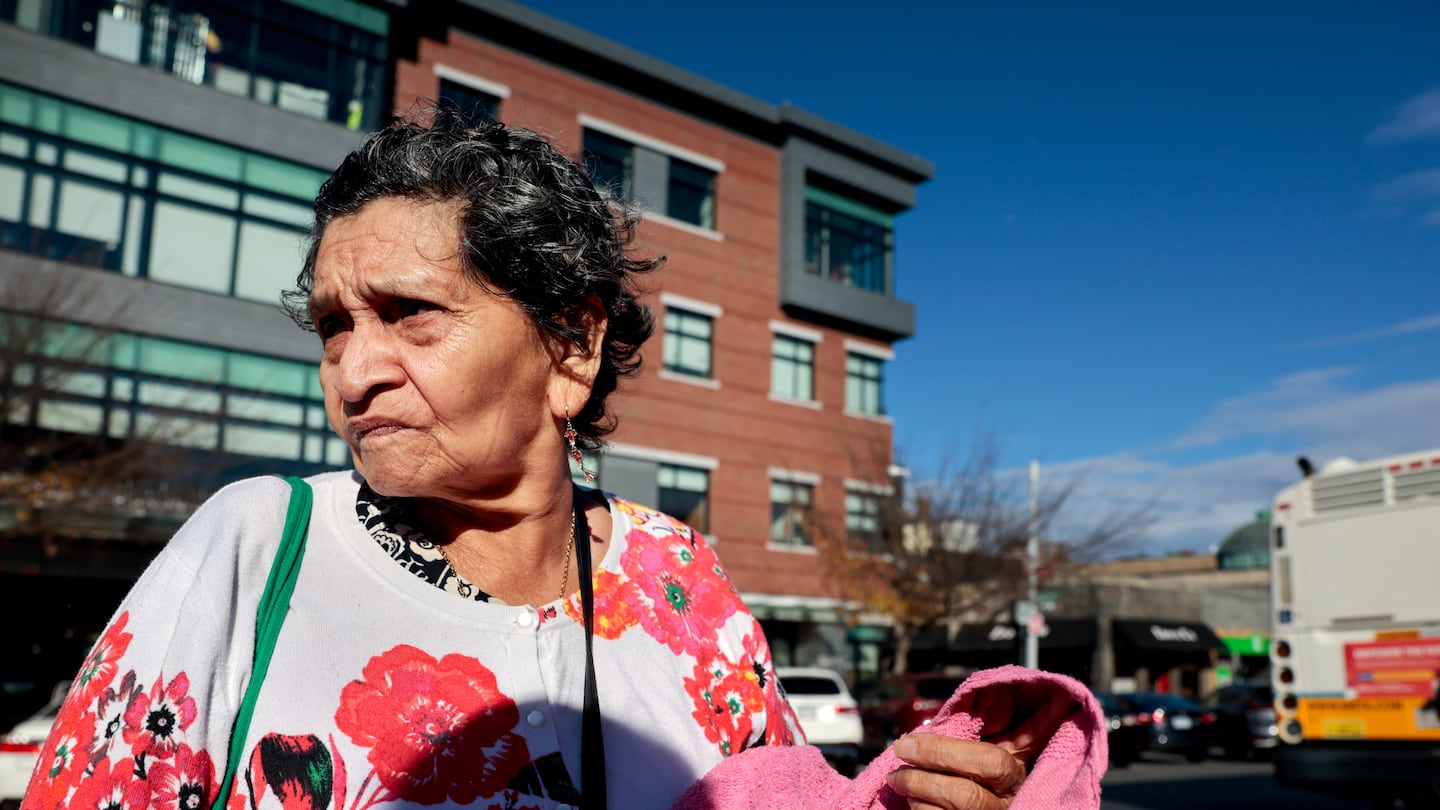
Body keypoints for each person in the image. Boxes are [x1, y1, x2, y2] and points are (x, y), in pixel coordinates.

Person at [22, 108, 1090, 810]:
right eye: (334, 325)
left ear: (571, 347)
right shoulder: (257, 545)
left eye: (408, 315)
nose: (353, 372)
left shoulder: (683, 586)